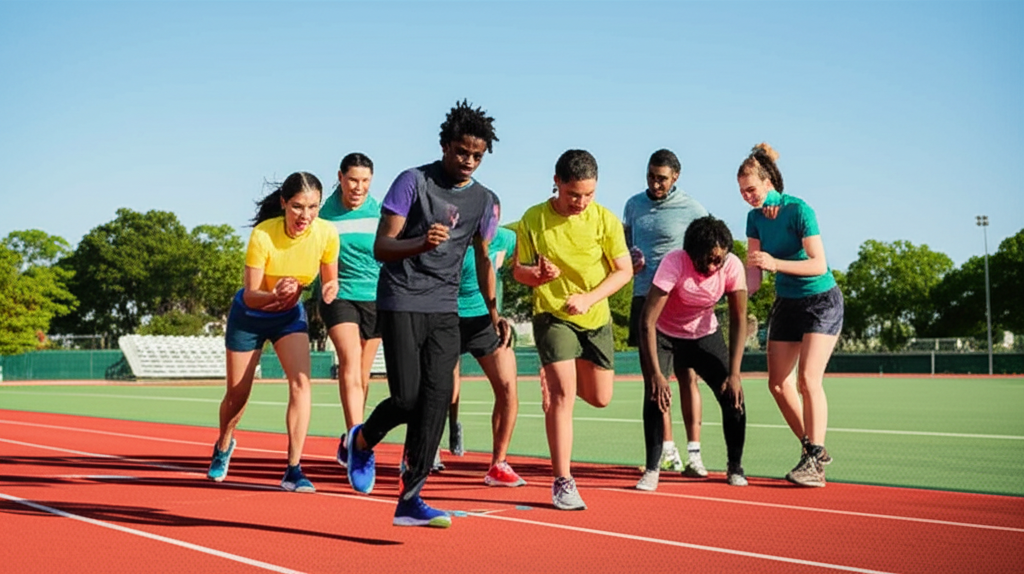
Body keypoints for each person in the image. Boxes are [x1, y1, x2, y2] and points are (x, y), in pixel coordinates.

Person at [344, 100, 508, 528]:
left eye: (477, 155)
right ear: (445, 145)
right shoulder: (412, 181)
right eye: (462, 151)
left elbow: (484, 258)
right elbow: (382, 247)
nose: (468, 161)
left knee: (437, 399)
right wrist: (421, 243)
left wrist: (494, 312)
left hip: (444, 307)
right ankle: (360, 441)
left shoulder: (484, 200)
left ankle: (410, 498)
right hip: (400, 299)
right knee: (407, 399)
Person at [514, 149, 632, 510]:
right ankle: (563, 481)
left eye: (588, 194)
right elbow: (520, 271)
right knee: (563, 395)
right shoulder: (534, 218)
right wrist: (538, 275)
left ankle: (555, 378)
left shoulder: (605, 220)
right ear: (557, 183)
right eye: (573, 194)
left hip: (595, 317)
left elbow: (624, 271)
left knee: (600, 397)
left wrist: (589, 298)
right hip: (553, 314)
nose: (581, 202)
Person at [207, 172, 340, 493]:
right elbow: (251, 294)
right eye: (297, 207)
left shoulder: (327, 233)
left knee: (301, 384)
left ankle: (293, 469)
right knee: (237, 394)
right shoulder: (263, 235)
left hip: (288, 316)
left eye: (313, 207)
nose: (305, 215)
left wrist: (330, 290)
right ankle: (224, 443)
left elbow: (330, 278)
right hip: (250, 315)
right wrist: (276, 294)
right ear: (283, 203)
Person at [738, 142, 843, 488]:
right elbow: (754, 276)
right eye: (742, 192)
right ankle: (813, 449)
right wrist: (733, 293)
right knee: (778, 385)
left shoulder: (799, 210)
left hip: (821, 301)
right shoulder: (754, 219)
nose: (748, 197)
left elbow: (819, 264)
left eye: (752, 190)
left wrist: (776, 263)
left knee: (807, 380)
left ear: (768, 183)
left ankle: (814, 463)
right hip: (787, 302)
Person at [635, 215, 748, 491]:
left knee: (733, 397)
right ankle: (652, 470)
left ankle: (735, 467)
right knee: (655, 396)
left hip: (704, 335)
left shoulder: (731, 266)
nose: (712, 266)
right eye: (706, 260)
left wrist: (734, 374)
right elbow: (647, 321)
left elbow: (739, 319)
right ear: (691, 254)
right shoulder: (674, 263)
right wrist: (656, 374)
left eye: (718, 260)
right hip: (664, 334)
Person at [622, 148, 710, 477]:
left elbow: (708, 250)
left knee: (688, 376)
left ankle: (695, 455)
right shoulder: (633, 205)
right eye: (650, 176)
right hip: (645, 297)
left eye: (661, 178)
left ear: (676, 177)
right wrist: (629, 258)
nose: (655, 183)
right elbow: (624, 246)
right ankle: (667, 451)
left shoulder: (694, 209)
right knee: (655, 381)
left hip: (681, 303)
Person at [445, 224, 525, 487]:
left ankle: (498, 463)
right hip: (447, 319)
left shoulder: (507, 238)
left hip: (487, 321)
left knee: (508, 387)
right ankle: (428, 449)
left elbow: (524, 264)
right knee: (445, 391)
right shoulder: (448, 235)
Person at [316, 153, 382, 470]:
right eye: (353, 180)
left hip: (376, 298)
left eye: (365, 181)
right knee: (350, 362)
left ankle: (351, 439)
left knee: (363, 376)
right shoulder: (323, 215)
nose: (358, 187)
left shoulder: (381, 212)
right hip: (339, 294)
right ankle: (359, 448)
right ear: (340, 177)